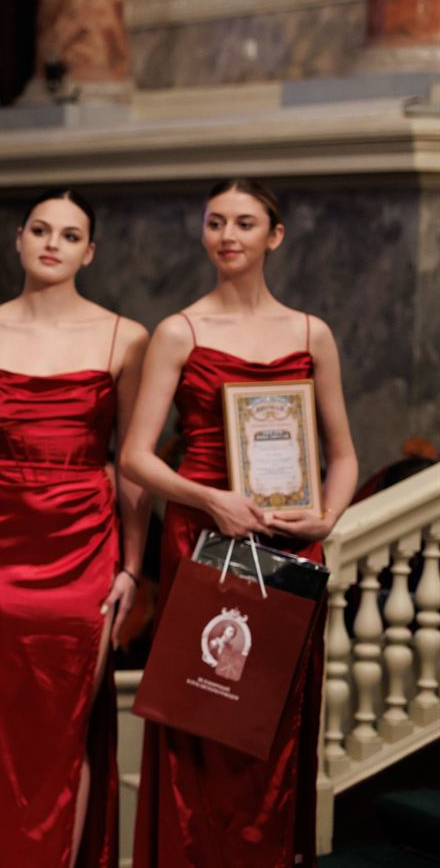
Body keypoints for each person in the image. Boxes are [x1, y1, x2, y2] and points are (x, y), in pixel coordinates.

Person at [121, 179, 357, 866]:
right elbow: (135, 457)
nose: (227, 235)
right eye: (215, 221)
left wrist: (327, 517)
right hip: (203, 538)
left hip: (290, 546)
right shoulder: (180, 330)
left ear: (274, 236)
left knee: (272, 724)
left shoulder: (312, 333)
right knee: (201, 709)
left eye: (245, 222)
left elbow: (344, 455)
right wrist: (210, 499)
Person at [0, 188, 151, 868]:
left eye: (70, 234)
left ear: (90, 251)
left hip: (87, 547)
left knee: (68, 725)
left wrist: (132, 566)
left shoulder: (126, 337)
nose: (53, 243)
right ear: (19, 240)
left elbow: (133, 464)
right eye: (41, 229)